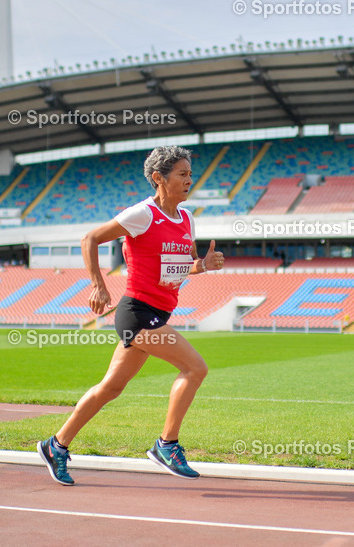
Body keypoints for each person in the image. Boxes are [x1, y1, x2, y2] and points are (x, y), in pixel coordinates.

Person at [38, 146, 224, 485]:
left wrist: (203, 266)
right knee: (195, 367)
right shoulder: (142, 214)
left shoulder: (186, 218)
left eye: (190, 174)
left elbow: (182, 266)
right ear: (158, 178)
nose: (189, 180)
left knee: (111, 387)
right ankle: (166, 444)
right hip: (137, 312)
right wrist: (98, 285)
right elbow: (90, 238)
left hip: (158, 311)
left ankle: (56, 445)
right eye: (182, 174)